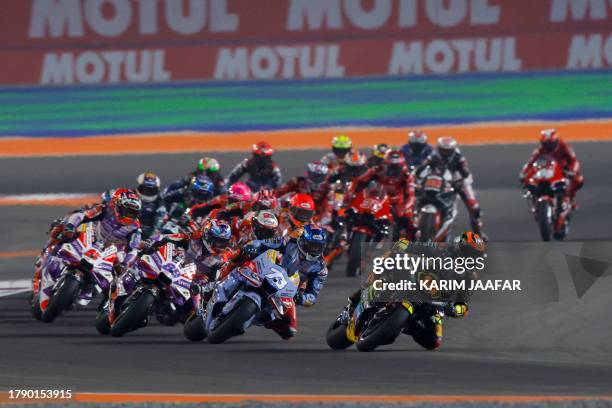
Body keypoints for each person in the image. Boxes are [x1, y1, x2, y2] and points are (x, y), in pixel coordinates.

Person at [40, 189, 142, 314]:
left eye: (133, 212)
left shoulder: (136, 228)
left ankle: (108, 306)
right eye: (127, 210)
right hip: (92, 238)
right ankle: (50, 260)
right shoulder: (104, 209)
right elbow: (80, 216)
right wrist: (70, 227)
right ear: (117, 206)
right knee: (63, 235)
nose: (129, 215)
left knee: (121, 277)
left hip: (114, 250)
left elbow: (134, 249)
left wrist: (125, 263)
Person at [416, 137, 485, 237]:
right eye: (443, 150)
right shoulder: (433, 155)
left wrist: (461, 182)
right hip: (436, 180)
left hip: (455, 180)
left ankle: (478, 232)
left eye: (447, 151)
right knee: (416, 194)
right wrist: (417, 176)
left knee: (473, 206)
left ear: (452, 149)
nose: (445, 153)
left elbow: (466, 174)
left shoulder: (458, 157)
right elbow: (421, 168)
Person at [352, 150, 416, 240]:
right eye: (390, 166)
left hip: (396, 204)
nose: (393, 170)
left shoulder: (407, 175)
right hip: (377, 200)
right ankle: (342, 235)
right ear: (385, 163)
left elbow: (411, 195)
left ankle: (407, 248)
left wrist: (405, 207)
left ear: (402, 165)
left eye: (396, 167)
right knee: (351, 212)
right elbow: (361, 180)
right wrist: (353, 191)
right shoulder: (378, 169)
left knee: (409, 224)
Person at [520, 128, 583, 209]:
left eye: (550, 143)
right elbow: (530, 163)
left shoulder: (564, 146)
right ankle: (535, 202)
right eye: (545, 143)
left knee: (577, 180)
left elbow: (574, 160)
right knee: (530, 182)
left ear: (555, 141)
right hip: (547, 171)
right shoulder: (540, 150)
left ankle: (570, 200)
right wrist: (523, 173)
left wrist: (572, 171)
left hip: (563, 170)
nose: (548, 146)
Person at [135, 172, 167, 239]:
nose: (148, 192)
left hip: (146, 232)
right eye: (145, 189)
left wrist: (151, 236)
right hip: (128, 226)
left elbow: (159, 222)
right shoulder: (131, 195)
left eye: (151, 190)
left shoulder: (160, 203)